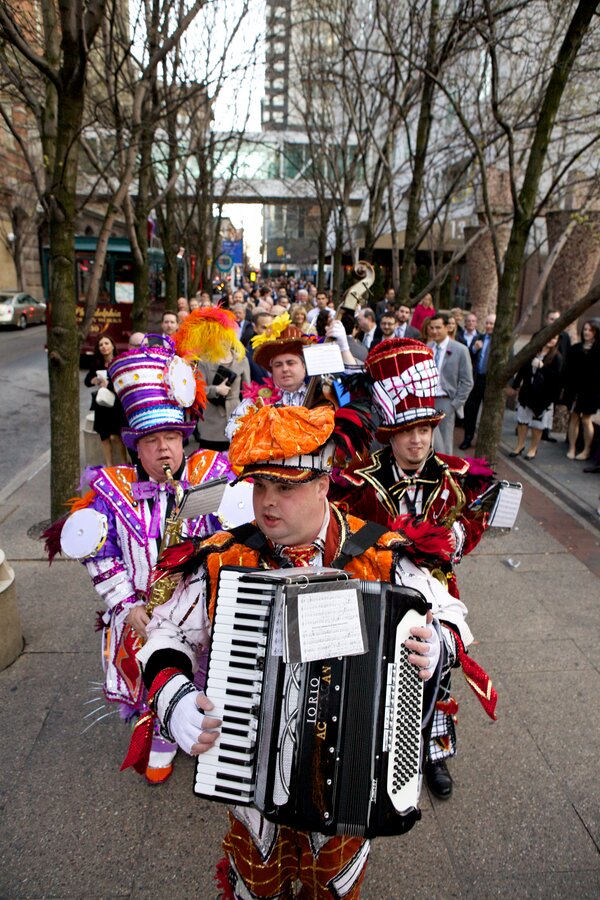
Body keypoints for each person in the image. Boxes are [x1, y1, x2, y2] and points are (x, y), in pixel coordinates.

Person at [129, 404, 483, 898]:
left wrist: (437, 643)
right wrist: (175, 697)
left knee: (333, 887)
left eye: (286, 487)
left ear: (322, 484)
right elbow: (166, 634)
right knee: (257, 884)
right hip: (249, 784)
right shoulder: (224, 556)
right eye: (260, 486)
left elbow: (449, 614)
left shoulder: (379, 554)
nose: (268, 503)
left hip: (348, 789)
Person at [46, 336, 233, 784]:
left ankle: (201, 730)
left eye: (171, 437)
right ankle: (163, 734)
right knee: (155, 677)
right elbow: (100, 556)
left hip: (202, 608)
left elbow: (232, 538)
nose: (164, 449)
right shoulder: (112, 490)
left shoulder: (211, 474)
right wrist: (126, 605)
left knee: (208, 675)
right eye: (152, 440)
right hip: (144, 612)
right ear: (136, 446)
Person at [332, 337, 496, 800]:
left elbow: (477, 515)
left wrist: (457, 537)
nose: (418, 440)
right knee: (382, 671)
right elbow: (338, 527)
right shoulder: (359, 478)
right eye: (407, 431)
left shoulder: (453, 474)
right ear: (390, 433)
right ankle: (381, 748)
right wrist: (383, 543)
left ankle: (434, 753)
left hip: (437, 593)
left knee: (437, 671)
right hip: (378, 591)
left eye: (425, 429)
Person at [508, 335, 563, 460]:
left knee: (537, 424)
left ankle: (533, 448)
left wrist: (542, 367)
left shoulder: (557, 357)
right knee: (522, 421)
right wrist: (515, 385)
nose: (551, 340)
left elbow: (556, 378)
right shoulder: (532, 352)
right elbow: (522, 370)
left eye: (554, 338)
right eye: (550, 337)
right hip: (527, 392)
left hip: (543, 396)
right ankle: (520, 445)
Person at [428, 313, 474, 455]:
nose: (434, 331)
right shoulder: (427, 348)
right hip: (427, 401)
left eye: (438, 327)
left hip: (446, 402)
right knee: (427, 441)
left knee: (444, 443)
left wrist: (455, 404)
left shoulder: (460, 349)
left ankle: (445, 468)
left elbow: (467, 381)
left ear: (447, 328)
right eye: (432, 328)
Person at [84, 335, 127, 466]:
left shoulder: (119, 362)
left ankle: (124, 464)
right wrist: (94, 380)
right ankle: (109, 466)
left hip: (116, 404)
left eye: (106, 343)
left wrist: (107, 384)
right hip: (102, 404)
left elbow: (122, 385)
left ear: (112, 345)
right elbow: (87, 381)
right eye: (101, 345)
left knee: (116, 437)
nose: (104, 346)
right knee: (104, 437)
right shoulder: (97, 364)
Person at [562, 321, 600, 460]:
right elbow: (567, 370)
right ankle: (572, 448)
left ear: (596, 332)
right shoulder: (575, 349)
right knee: (574, 417)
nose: (587, 332)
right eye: (585, 329)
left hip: (591, 391)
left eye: (590, 330)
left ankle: (586, 449)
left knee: (586, 419)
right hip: (575, 390)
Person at [460, 314, 496, 450]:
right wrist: (474, 349)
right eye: (487, 323)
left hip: (490, 382)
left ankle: (484, 440)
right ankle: (467, 438)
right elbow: (468, 357)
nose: (489, 326)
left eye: (492, 324)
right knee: (470, 410)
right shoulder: (478, 338)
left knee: (488, 413)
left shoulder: (500, 341)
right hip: (476, 379)